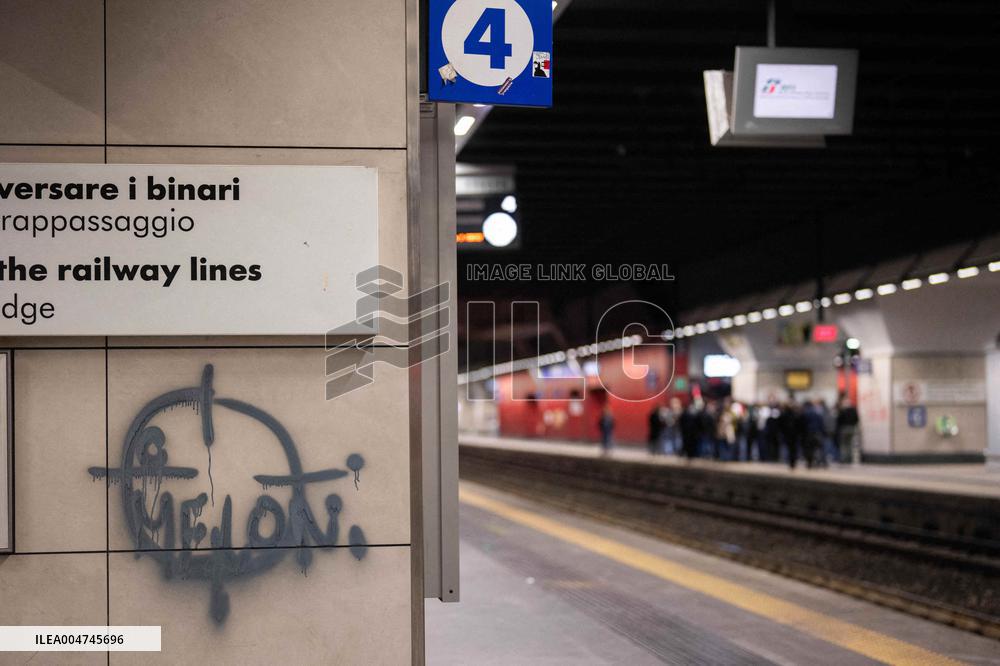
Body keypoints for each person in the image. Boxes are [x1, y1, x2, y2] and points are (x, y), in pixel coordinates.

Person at [834, 394, 860, 464]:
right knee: (850, 444)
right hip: (852, 428)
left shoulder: (842, 411)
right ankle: (850, 458)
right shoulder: (854, 410)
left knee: (843, 444)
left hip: (844, 429)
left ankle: (844, 459)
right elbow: (857, 419)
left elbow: (839, 421)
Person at [801, 400, 827, 468]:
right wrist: (823, 432)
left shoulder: (805, 413)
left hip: (808, 433)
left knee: (809, 449)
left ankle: (810, 463)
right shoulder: (817, 413)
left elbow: (803, 424)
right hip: (817, 433)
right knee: (820, 448)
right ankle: (823, 462)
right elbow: (821, 423)